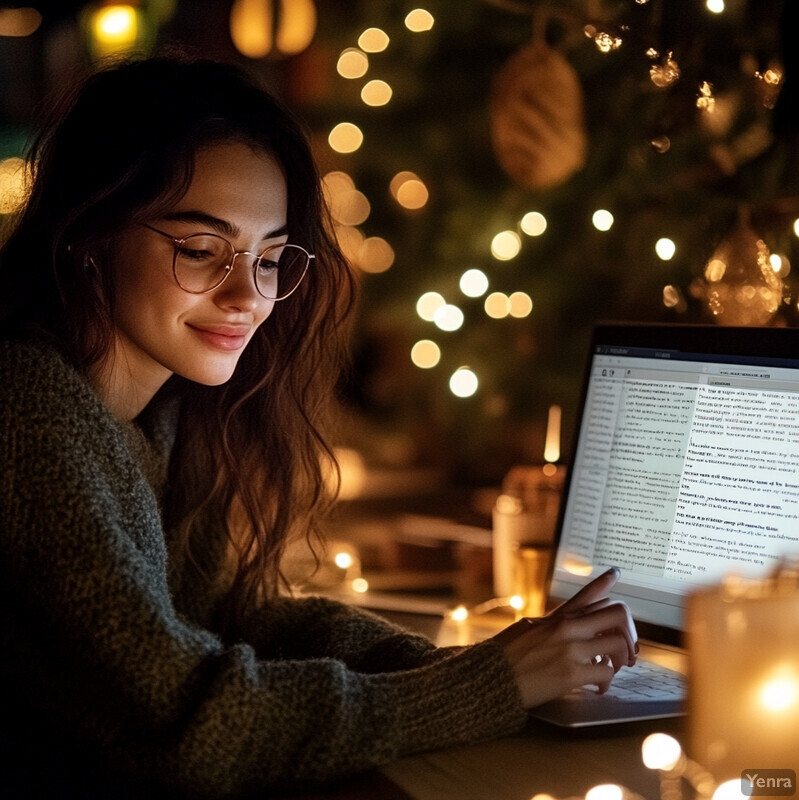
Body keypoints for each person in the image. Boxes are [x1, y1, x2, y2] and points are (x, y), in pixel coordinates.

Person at [0, 55, 637, 798]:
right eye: (201, 251)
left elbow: (238, 620)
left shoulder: (163, 416)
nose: (248, 295)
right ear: (91, 232)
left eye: (270, 259)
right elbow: (185, 723)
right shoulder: (30, 409)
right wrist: (481, 688)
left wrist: (464, 665)